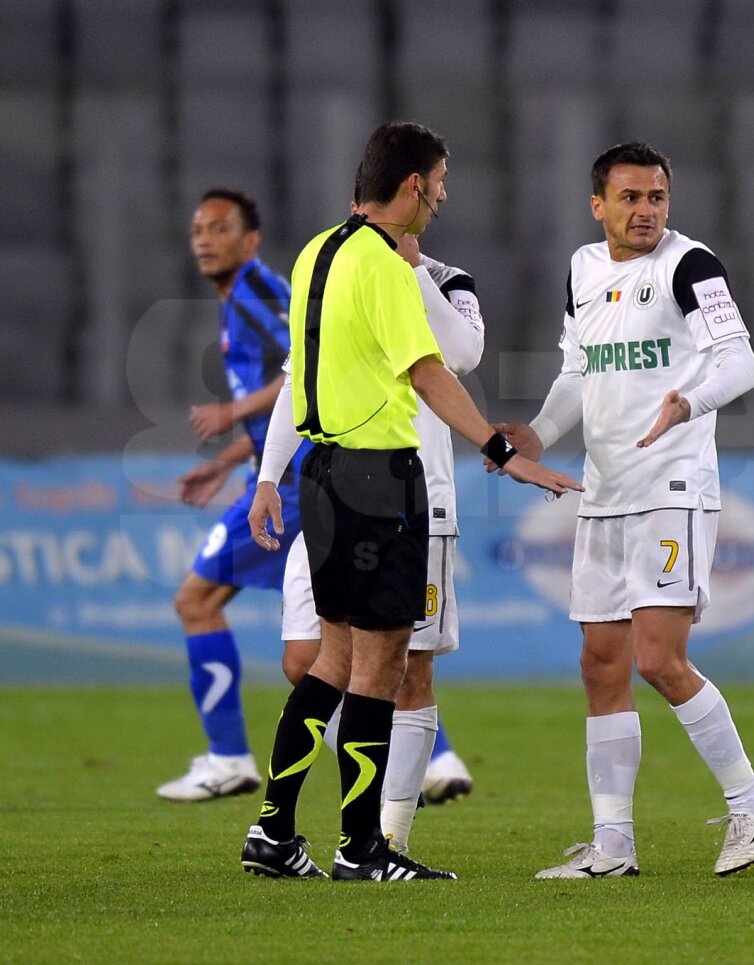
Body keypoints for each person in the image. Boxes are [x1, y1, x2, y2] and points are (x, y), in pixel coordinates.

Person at [238, 121, 580, 882]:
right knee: (381, 664)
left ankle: (273, 829)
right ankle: (362, 848)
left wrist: (269, 475)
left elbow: (302, 377)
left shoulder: (315, 253)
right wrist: (503, 453)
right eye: (441, 181)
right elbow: (430, 369)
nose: (445, 196)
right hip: (377, 478)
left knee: (330, 657)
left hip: (321, 476)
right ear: (414, 186)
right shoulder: (388, 269)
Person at [500, 142, 754, 880]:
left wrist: (691, 399)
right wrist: (538, 431)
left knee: (658, 658)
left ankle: (752, 804)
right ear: (599, 205)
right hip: (605, 492)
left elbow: (741, 361)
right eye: (629, 198)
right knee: (601, 664)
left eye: (656, 196)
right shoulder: (583, 269)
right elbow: (576, 373)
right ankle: (612, 844)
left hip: (672, 485)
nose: (645, 210)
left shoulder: (690, 265)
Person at [265, 221, 485, 854]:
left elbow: (461, 357)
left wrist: (414, 270)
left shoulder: (447, 280)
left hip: (421, 498)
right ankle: (338, 840)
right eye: (438, 182)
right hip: (348, 483)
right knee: (315, 660)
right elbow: (294, 379)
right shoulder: (339, 270)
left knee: (406, 672)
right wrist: (265, 477)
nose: (444, 196)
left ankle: (385, 835)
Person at [157, 189, 308, 802]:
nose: (203, 238)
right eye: (197, 228)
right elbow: (283, 406)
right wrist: (224, 462)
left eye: (219, 228)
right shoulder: (237, 301)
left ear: (250, 241)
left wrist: (231, 411)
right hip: (287, 475)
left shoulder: (256, 292)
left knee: (196, 601)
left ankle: (228, 758)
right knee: (337, 637)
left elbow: (309, 366)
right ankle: (430, 758)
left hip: (293, 483)